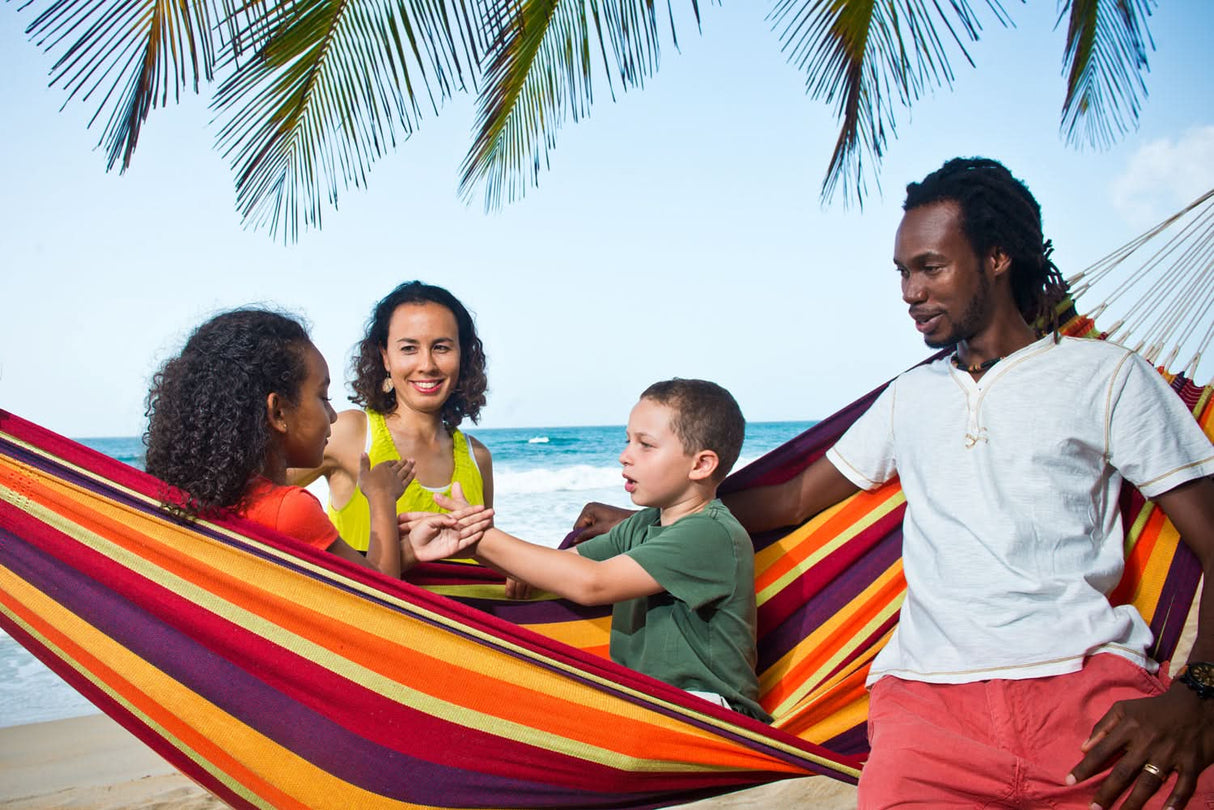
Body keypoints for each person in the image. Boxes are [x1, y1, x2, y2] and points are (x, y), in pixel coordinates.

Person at [575, 158, 1214, 809]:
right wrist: (650, 515)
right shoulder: (911, 396)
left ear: (997, 257)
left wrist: (1200, 692)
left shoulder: (1104, 376)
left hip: (1084, 693)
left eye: (930, 267)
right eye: (903, 272)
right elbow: (795, 499)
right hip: (929, 712)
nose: (910, 291)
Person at [409, 379, 771, 722]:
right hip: (651, 704)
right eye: (627, 440)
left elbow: (593, 583)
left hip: (714, 713)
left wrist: (480, 537)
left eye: (645, 444)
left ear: (701, 464)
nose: (624, 456)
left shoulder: (710, 533)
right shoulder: (644, 525)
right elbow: (567, 565)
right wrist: (468, 545)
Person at [145, 308, 492, 578]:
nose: (333, 415)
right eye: (323, 397)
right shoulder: (290, 508)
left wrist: (411, 552)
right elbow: (381, 595)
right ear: (278, 412)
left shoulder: (206, 499)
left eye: (442, 347)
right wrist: (382, 499)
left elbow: (343, 574)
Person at [293, 281, 495, 574]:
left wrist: (515, 574)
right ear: (385, 356)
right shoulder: (350, 433)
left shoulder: (479, 457)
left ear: (462, 355)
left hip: (460, 620)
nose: (427, 364)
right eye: (409, 348)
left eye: (441, 347)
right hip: (368, 618)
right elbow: (257, 504)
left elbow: (488, 558)